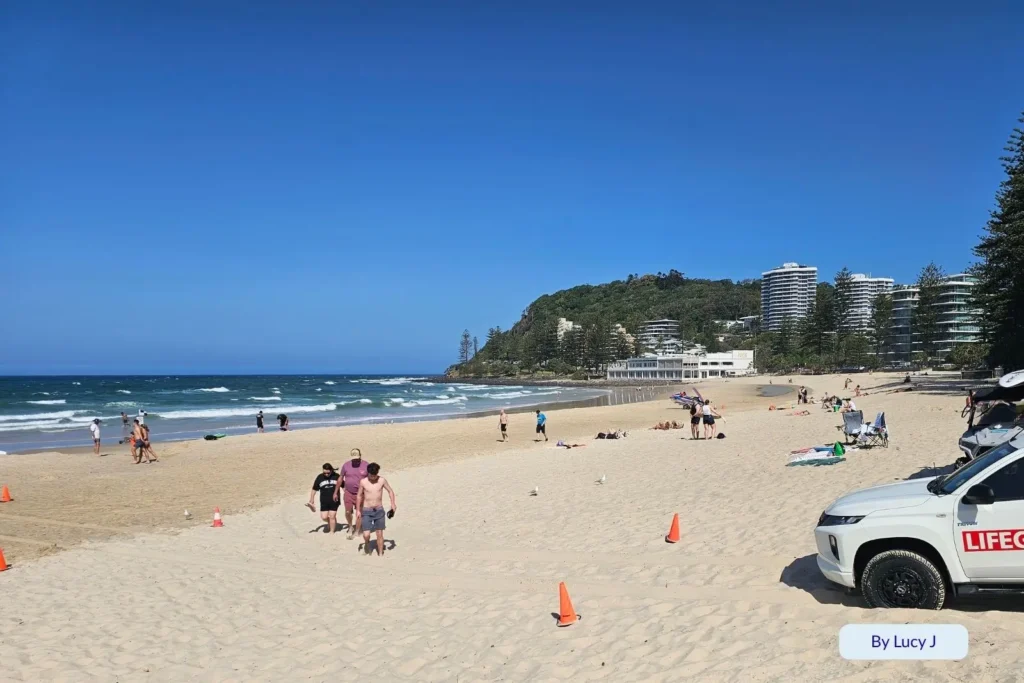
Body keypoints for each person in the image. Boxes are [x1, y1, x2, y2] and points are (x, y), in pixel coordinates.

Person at [355, 462, 396, 557]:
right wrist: (357, 510)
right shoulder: (363, 482)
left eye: (374, 475)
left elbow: (390, 491)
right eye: (371, 475)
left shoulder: (382, 480)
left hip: (379, 510)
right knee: (366, 535)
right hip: (366, 510)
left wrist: (393, 504)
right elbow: (359, 496)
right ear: (368, 473)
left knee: (379, 533)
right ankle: (367, 543)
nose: (373, 478)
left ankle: (381, 554)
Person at [338, 448, 369, 539]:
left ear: (360, 455)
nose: (356, 460)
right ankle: (350, 526)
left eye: (357, 458)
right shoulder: (346, 465)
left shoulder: (366, 465)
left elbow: (371, 478)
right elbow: (340, 478)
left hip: (361, 494)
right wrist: (337, 490)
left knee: (359, 513)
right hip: (348, 492)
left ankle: (357, 530)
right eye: (354, 458)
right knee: (348, 512)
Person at [307, 463, 340, 534]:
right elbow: (314, 489)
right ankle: (332, 522)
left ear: (331, 471)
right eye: (324, 473)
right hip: (324, 501)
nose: (326, 474)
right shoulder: (320, 477)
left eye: (328, 473)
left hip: (334, 500)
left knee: (332, 516)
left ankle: (332, 531)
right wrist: (311, 499)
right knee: (324, 517)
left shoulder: (336, 476)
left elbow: (344, 486)